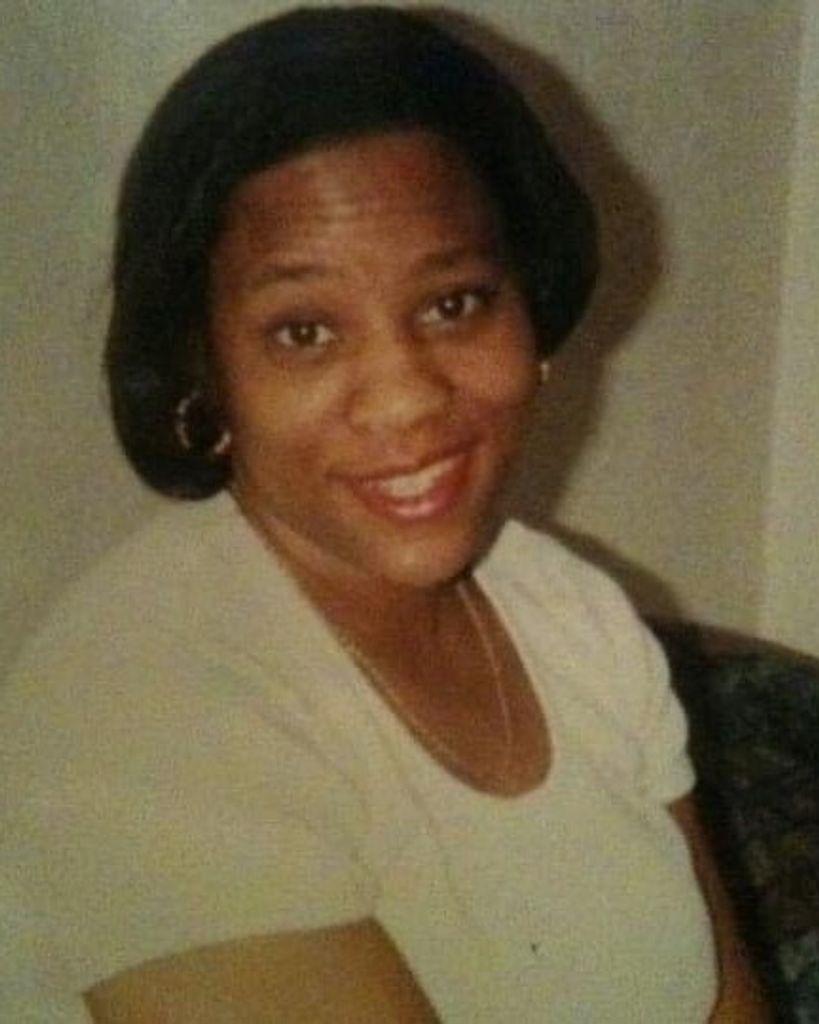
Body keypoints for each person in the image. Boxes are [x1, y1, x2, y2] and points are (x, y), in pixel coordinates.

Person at [0, 6, 769, 1021]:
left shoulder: (574, 612)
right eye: (304, 331)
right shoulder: (138, 702)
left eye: (453, 303)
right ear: (204, 370)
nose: (405, 398)